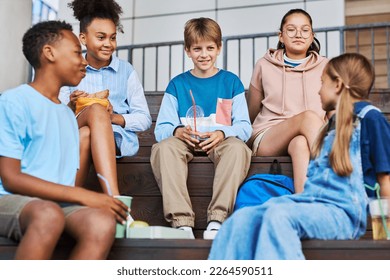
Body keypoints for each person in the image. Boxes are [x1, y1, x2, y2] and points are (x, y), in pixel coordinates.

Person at [208, 53, 390, 259]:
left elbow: (386, 180)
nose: (318, 90)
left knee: (278, 217)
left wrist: (387, 233)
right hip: (311, 204)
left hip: (343, 213)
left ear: (337, 85)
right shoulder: (330, 127)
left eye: (322, 83)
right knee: (242, 219)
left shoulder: (370, 118)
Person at [0, 21, 129, 260]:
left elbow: (65, 181)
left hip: (54, 205)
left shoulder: (67, 115)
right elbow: (10, 178)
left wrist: (88, 201)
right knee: (47, 214)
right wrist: (84, 196)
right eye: (76, 53)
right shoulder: (14, 101)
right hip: (9, 201)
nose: (83, 61)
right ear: (49, 53)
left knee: (101, 223)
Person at [150, 17, 252, 240]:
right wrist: (177, 131)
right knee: (163, 148)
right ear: (187, 50)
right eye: (197, 48)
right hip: (185, 141)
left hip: (220, 141)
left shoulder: (231, 82)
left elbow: (244, 127)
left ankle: (217, 220)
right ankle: (182, 223)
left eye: (210, 48)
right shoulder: (177, 84)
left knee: (238, 149)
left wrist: (223, 133)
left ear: (219, 48)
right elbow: (161, 130)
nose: (204, 54)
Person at [60, 0, 152, 196]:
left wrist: (114, 118)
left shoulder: (126, 71)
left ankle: (67, 201)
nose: (108, 44)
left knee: (87, 134)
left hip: (114, 138)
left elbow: (144, 118)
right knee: (93, 112)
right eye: (101, 37)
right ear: (83, 38)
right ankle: (115, 199)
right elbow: (55, 118)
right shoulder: (69, 69)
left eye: (112, 38)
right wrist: (70, 105)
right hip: (70, 132)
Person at [246, 9, 329, 193]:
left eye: (305, 30)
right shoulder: (264, 64)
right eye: (291, 29)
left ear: (312, 36)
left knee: (300, 144)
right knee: (308, 117)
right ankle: (341, 173)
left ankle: (303, 205)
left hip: (309, 137)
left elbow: (334, 111)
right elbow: (251, 111)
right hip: (269, 136)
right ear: (281, 36)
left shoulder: (326, 66)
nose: (298, 34)